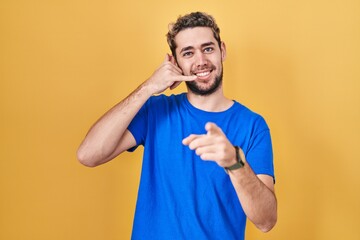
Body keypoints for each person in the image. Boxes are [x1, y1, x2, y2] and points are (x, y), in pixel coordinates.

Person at [77, 12, 277, 239]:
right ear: (175, 63)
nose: (200, 60)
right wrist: (148, 87)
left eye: (208, 48)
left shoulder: (253, 126)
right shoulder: (155, 111)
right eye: (188, 53)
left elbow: (266, 221)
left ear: (222, 51)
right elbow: (88, 154)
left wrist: (235, 163)